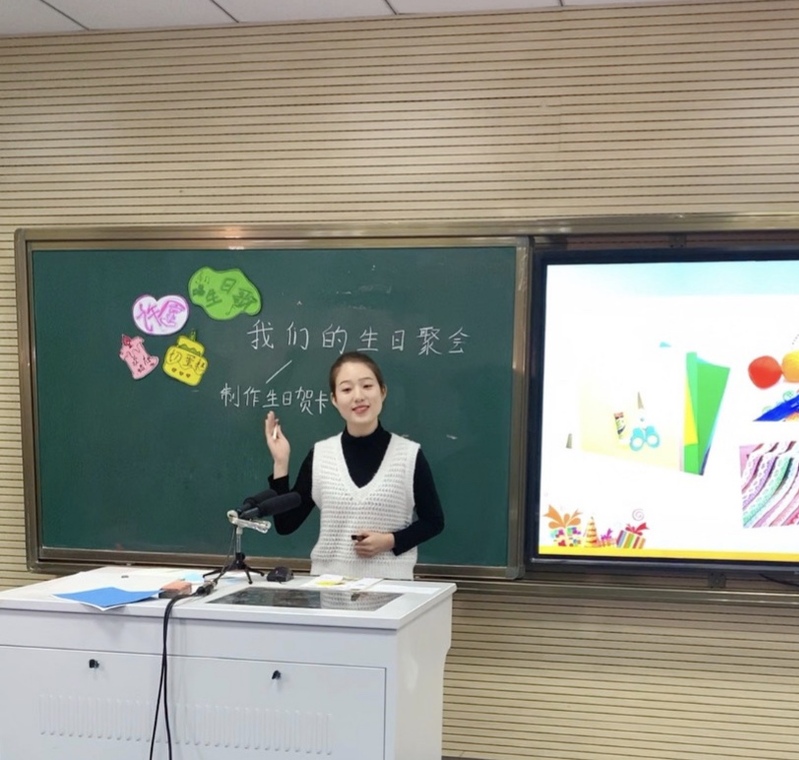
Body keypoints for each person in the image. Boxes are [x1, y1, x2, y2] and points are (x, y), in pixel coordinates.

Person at [263, 351, 444, 580]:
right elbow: (285, 524)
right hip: (329, 588)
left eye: (367, 386)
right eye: (347, 389)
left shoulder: (408, 455)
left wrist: (390, 541)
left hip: (392, 589)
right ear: (334, 399)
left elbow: (434, 522)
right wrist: (281, 462)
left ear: (383, 391)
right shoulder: (321, 456)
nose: (358, 396)